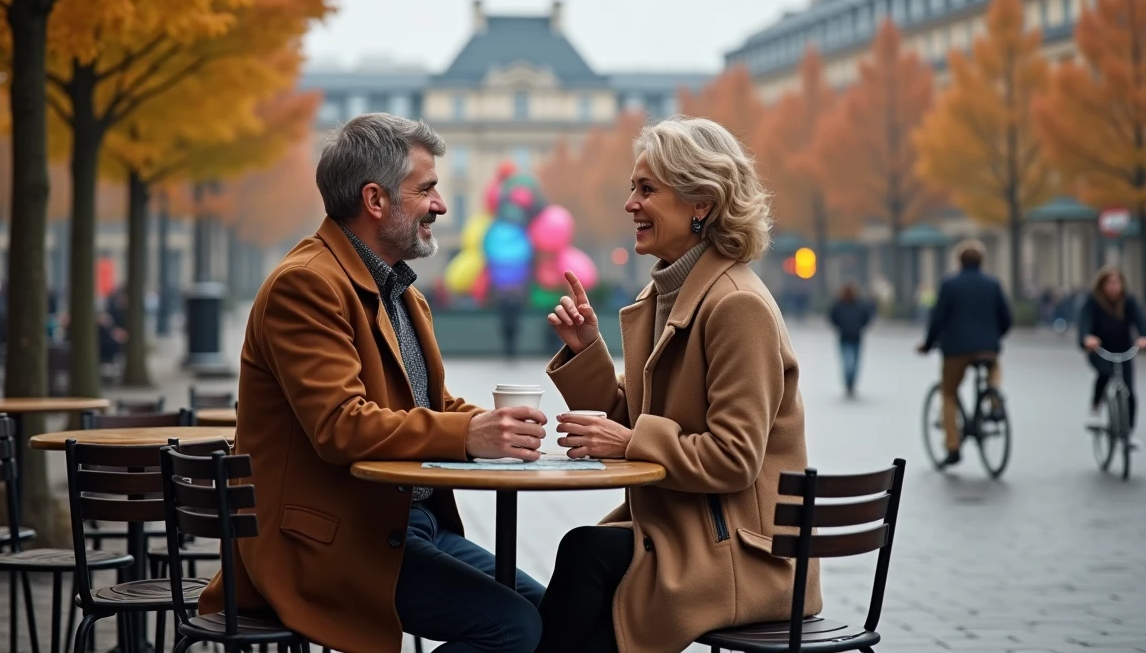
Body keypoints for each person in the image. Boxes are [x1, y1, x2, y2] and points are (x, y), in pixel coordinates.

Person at [197, 113, 547, 653]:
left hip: (403, 526)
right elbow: (340, 426)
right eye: (426, 189)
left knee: (548, 612)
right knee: (510, 628)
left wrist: (493, 424)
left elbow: (430, 403)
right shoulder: (307, 286)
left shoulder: (401, 291)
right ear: (375, 200)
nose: (441, 205)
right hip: (330, 544)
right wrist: (471, 436)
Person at [535, 116, 821, 653]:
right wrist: (587, 352)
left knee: (586, 559)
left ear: (701, 203)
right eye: (631, 188)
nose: (630, 204)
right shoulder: (666, 295)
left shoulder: (736, 304)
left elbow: (734, 458)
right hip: (688, 532)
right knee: (586, 562)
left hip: (741, 556)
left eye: (647, 189)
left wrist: (629, 443)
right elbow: (634, 422)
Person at [917, 240, 1012, 466]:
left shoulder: (950, 285)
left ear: (959, 261)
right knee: (994, 367)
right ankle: (994, 398)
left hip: (955, 349)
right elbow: (1007, 318)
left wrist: (928, 344)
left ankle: (953, 446)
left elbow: (937, 319)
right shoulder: (993, 284)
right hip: (987, 347)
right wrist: (995, 336)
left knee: (948, 394)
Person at [1078, 265, 1146, 446]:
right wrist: (1087, 338)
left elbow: (1140, 321)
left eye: (1117, 283)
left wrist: (1142, 337)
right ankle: (1095, 409)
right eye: (1109, 283)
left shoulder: (1128, 301)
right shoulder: (1093, 301)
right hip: (1100, 350)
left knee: (1130, 392)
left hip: (1123, 350)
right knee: (1106, 374)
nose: (1113, 287)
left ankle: (1128, 432)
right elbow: (1084, 322)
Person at [828, 281, 874, 397]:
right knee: (848, 363)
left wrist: (860, 327)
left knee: (855, 364)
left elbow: (867, 317)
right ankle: (848, 384)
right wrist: (839, 327)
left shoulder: (860, 305)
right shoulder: (839, 305)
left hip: (856, 338)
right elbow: (832, 317)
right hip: (844, 338)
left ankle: (852, 384)